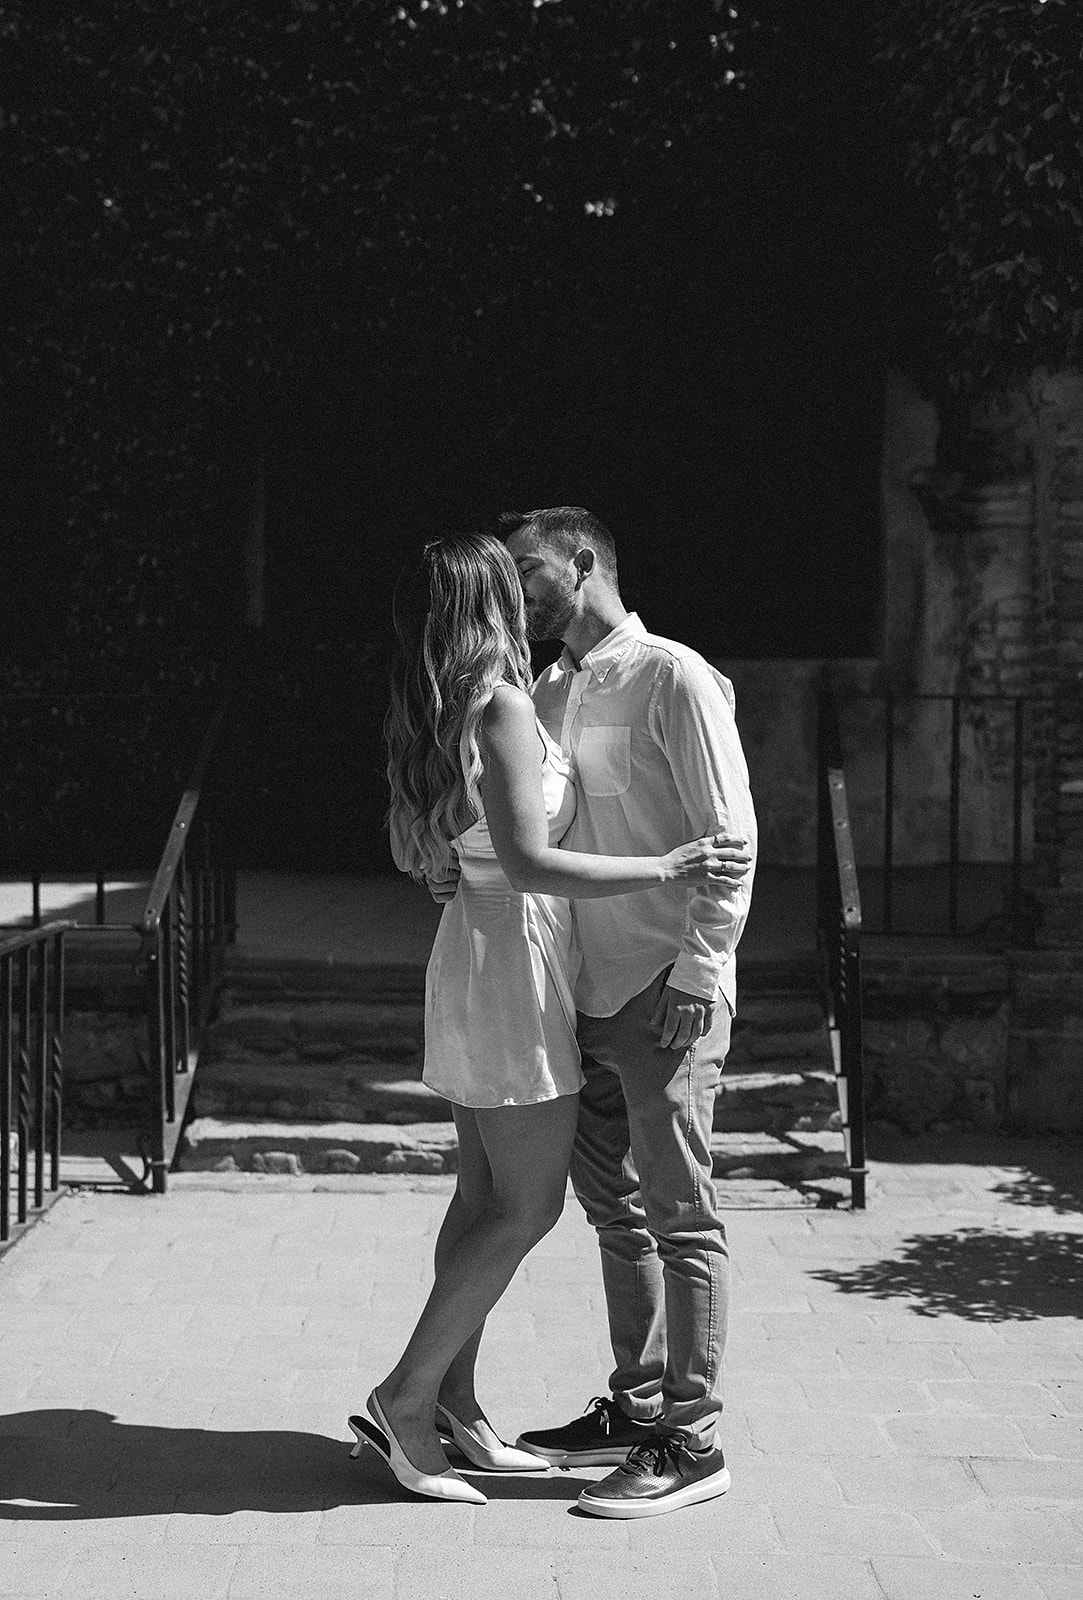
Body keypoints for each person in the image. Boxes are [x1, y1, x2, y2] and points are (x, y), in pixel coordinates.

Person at [348, 532, 751, 1506]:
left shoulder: (459, 705)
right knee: (528, 1206)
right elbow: (527, 857)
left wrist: (455, 864)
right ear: (489, 598)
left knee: (484, 1194)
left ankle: (456, 1406)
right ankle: (406, 1399)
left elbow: (443, 843)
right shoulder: (514, 701)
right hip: (519, 963)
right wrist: (662, 869)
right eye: (511, 580)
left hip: (491, 954)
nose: (529, 597)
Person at [500, 506, 758, 1519]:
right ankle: (638, 1403)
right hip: (585, 989)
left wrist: (701, 968)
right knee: (617, 1211)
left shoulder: (675, 674)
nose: (516, 593)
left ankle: (692, 1442)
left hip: (664, 984)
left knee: (682, 1214)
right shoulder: (554, 685)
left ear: (583, 560)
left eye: (527, 573)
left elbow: (728, 835)